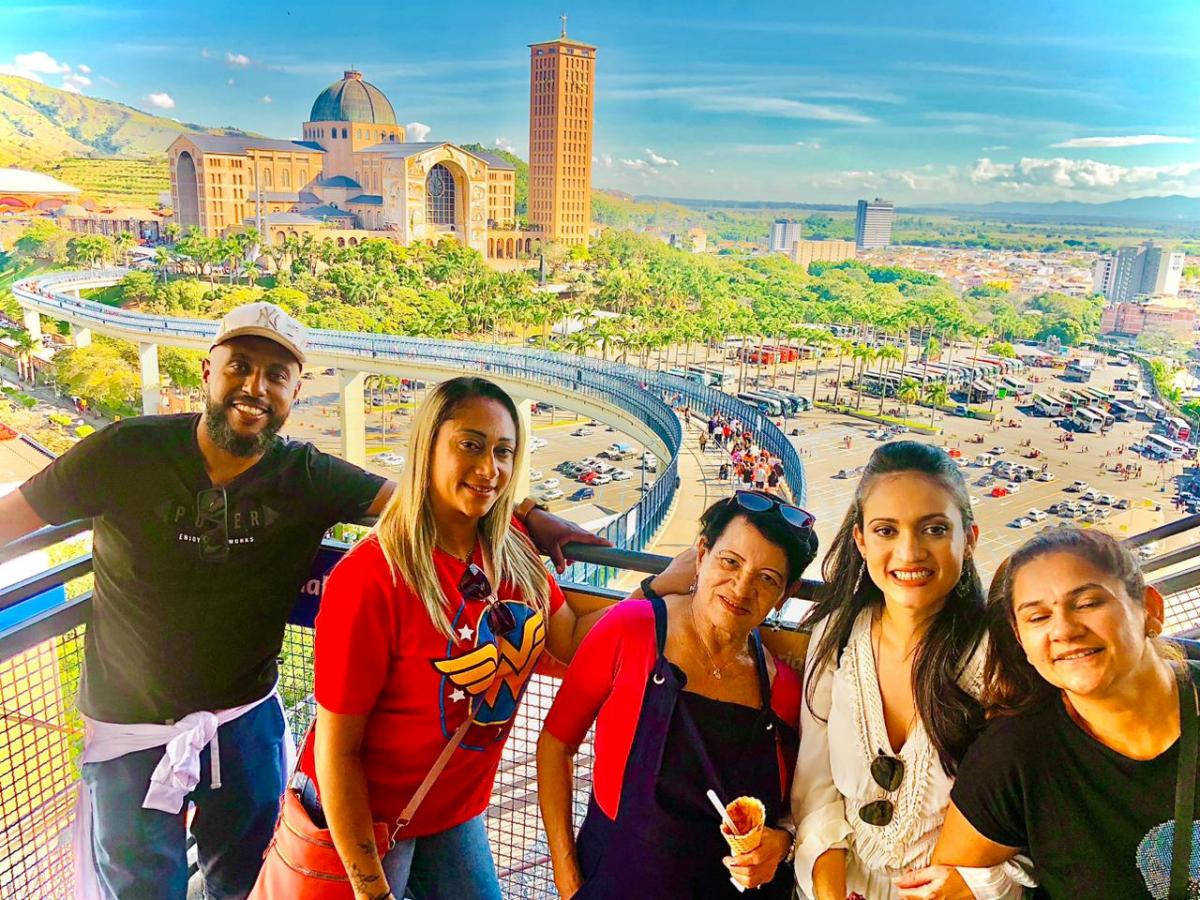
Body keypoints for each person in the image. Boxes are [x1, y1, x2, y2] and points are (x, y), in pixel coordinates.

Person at [0, 304, 604, 899]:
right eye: (239, 366)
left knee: (245, 881)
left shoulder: (307, 475)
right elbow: (13, 518)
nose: (255, 387)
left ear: (294, 391)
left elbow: (433, 496)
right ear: (208, 371)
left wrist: (528, 513)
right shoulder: (125, 451)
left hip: (243, 721)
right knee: (140, 890)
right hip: (127, 730)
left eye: (276, 375)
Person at [303, 376, 605, 900]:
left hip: (449, 809)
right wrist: (372, 891)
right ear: (428, 447)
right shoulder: (372, 577)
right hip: (367, 815)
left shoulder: (512, 551)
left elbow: (572, 638)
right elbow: (338, 752)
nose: (490, 469)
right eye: (470, 445)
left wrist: (668, 594)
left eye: (503, 451)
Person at [538, 491, 820, 898]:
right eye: (730, 562)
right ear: (702, 555)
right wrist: (568, 883)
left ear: (785, 594)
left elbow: (799, 811)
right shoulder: (630, 629)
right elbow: (555, 744)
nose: (741, 588)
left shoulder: (784, 692)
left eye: (767, 578)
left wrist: (782, 842)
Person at [791, 441, 1029, 900]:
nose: (909, 551)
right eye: (886, 530)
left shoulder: (1003, 656)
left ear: (969, 540)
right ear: (861, 541)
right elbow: (815, 791)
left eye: (934, 529)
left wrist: (974, 885)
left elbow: (1029, 817)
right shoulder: (836, 637)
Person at [914, 528, 1196, 899]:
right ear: (1020, 639)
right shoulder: (1015, 757)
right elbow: (944, 889)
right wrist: (994, 883)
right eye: (1037, 617)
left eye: (1088, 603)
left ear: (1151, 609)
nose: (1063, 629)